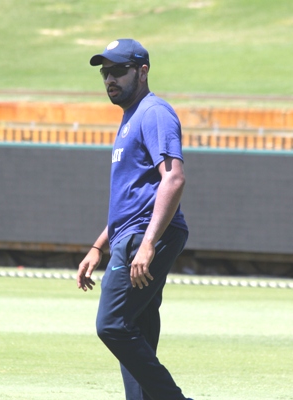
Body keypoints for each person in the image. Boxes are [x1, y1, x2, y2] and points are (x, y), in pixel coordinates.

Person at [76, 38, 192, 400]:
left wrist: (146, 244)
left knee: (111, 325)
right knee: (134, 332)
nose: (110, 79)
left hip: (147, 235)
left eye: (118, 71)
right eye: (105, 73)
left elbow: (173, 178)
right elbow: (133, 197)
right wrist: (98, 246)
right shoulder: (130, 117)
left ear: (142, 72)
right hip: (132, 232)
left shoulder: (154, 112)